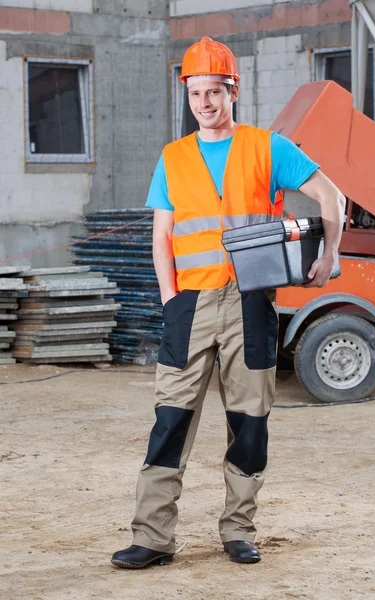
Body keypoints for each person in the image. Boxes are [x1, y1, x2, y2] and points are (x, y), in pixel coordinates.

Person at [111, 36, 345, 569]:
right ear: (187, 95)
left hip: (250, 305)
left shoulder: (268, 149)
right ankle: (152, 537)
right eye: (196, 93)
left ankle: (238, 529)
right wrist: (170, 298)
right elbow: (162, 237)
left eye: (214, 91)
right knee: (170, 420)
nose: (205, 104)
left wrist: (328, 253)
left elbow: (332, 196)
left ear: (232, 91)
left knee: (249, 420)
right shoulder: (172, 158)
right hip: (189, 305)